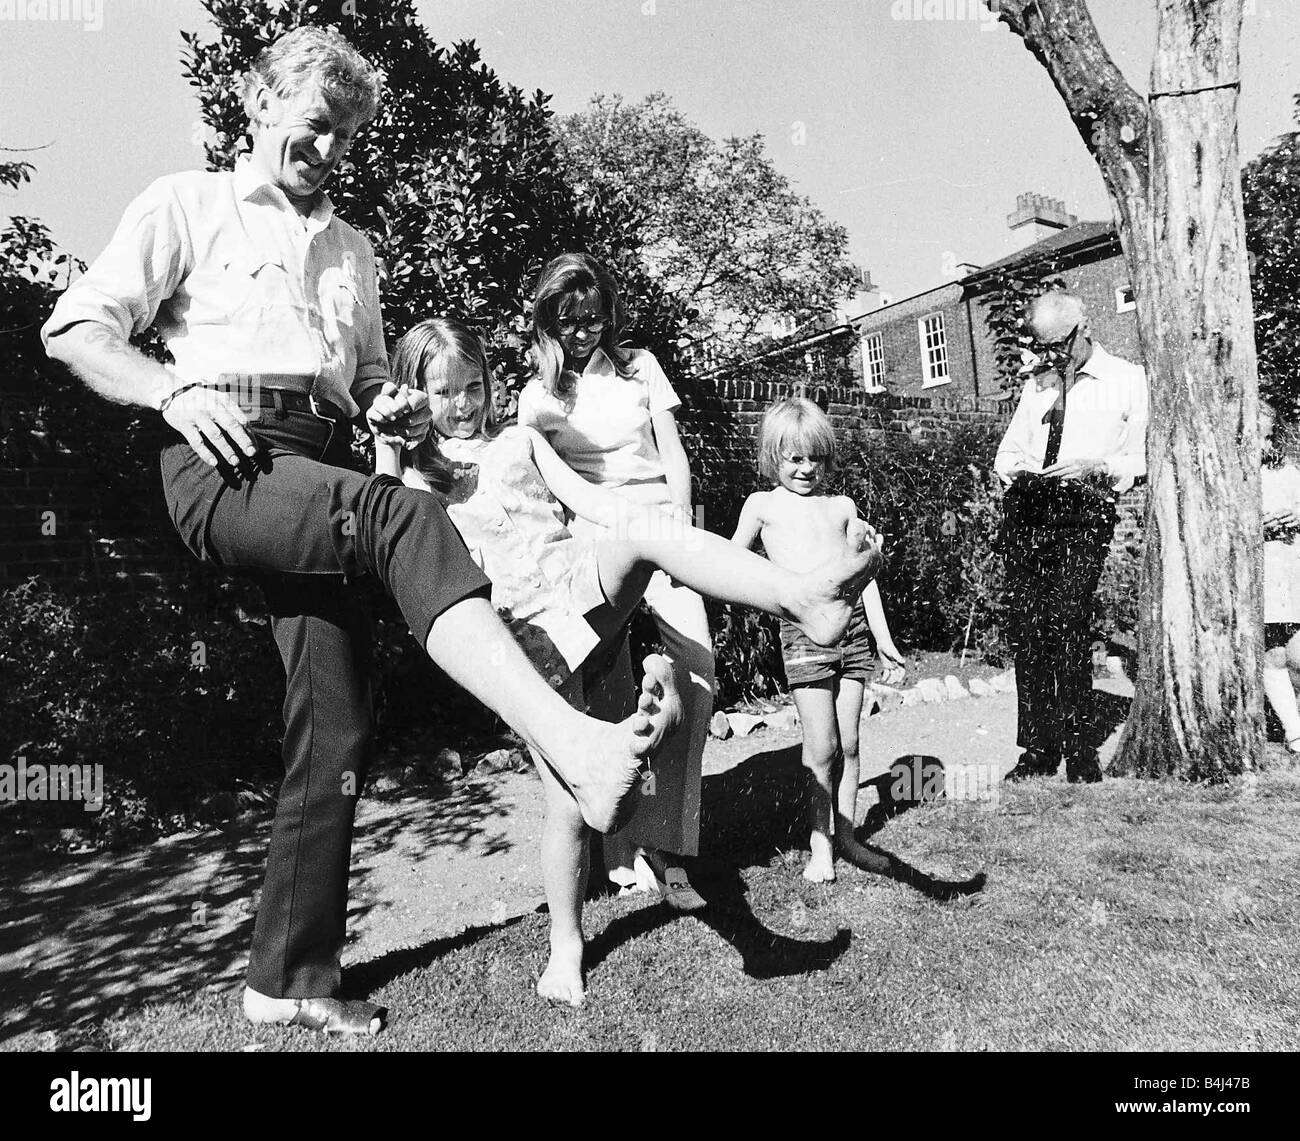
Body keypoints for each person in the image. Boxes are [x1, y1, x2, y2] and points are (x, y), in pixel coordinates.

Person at [40, 27, 683, 1037]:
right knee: (402, 512)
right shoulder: (186, 205)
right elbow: (77, 328)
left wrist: (385, 408)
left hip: (319, 463)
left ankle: (287, 980)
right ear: (257, 104)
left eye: (345, 137)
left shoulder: (355, 249)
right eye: (314, 127)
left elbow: (371, 378)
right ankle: (568, 738)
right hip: (224, 460)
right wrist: (167, 393)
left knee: (335, 722)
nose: (330, 152)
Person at [379, 319, 884, 1004]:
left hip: (578, 585)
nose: (465, 403)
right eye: (444, 392)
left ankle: (801, 597)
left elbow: (593, 501)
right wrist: (387, 438)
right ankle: (568, 947)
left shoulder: (521, 439)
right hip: (520, 642)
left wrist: (663, 532)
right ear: (413, 393)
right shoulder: (414, 474)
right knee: (566, 799)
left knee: (646, 528)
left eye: (475, 386)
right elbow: (386, 532)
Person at [517, 253, 714, 908]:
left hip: (662, 528)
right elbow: (533, 481)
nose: (583, 332)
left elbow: (673, 453)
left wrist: (682, 527)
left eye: (594, 318)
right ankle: (619, 847)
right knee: (609, 694)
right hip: (594, 547)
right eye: (569, 320)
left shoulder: (641, 367)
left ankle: (669, 844)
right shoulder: (538, 396)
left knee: (698, 677)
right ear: (549, 319)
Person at [731, 397, 907, 882]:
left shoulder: (841, 507)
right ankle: (820, 845)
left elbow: (864, 575)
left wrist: (883, 638)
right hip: (805, 635)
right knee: (822, 745)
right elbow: (728, 564)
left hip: (851, 633)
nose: (806, 468)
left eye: (815, 458)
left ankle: (848, 838)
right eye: (794, 458)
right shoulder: (762, 506)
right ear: (774, 457)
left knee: (849, 742)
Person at [994, 290, 1148, 784]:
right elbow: (1009, 451)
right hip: (1030, 510)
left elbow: (1141, 457)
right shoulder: (1037, 384)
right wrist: (1019, 470)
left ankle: (1081, 748)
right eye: (1043, 347)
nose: (1051, 357)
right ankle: (1038, 749)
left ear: (1084, 328)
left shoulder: (1126, 379)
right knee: (1031, 629)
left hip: (1084, 509)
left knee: (1068, 621)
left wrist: (1097, 466)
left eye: (1058, 346)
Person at [1260, 398, 1300, 752]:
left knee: (1298, 653)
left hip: (1291, 563)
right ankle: (1294, 731)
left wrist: (1295, 517)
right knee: (1273, 653)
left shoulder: (1287, 472)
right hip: (1261, 568)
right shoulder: (1231, 474)